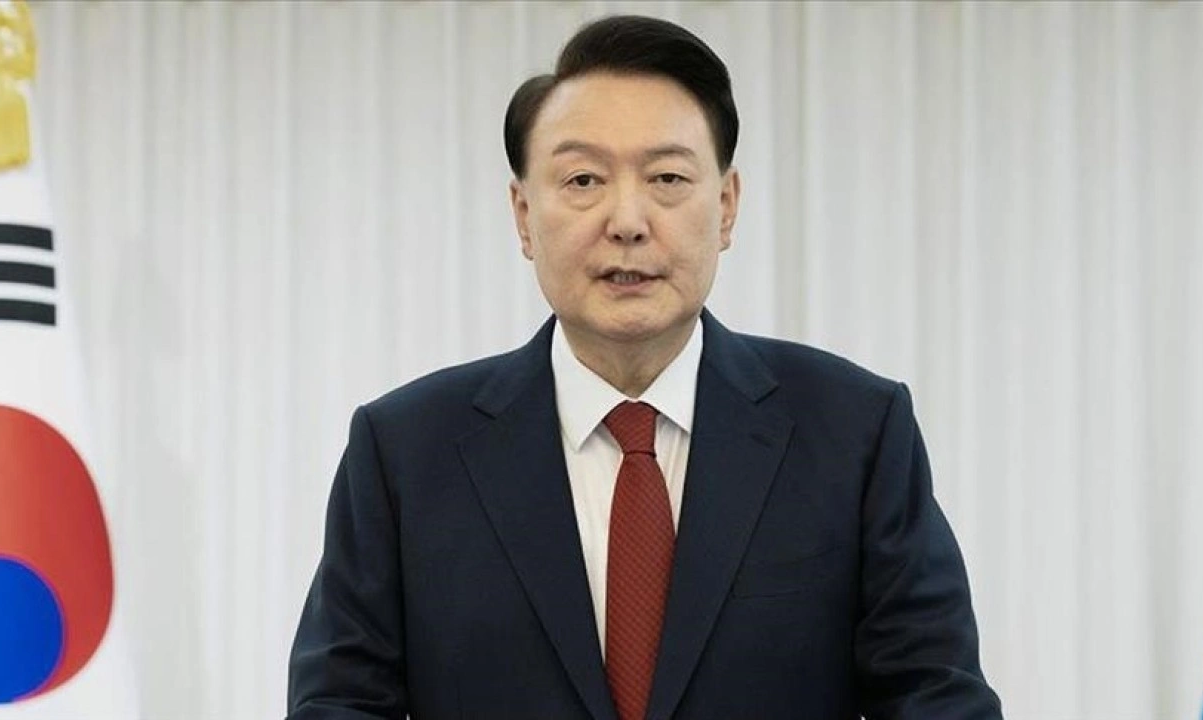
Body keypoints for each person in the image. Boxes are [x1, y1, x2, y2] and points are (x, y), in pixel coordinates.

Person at [287, 14, 1001, 720]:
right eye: (583, 179)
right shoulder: (405, 453)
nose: (627, 221)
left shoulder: (854, 433)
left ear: (726, 207)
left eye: (666, 177)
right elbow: (340, 703)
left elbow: (937, 698)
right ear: (523, 215)